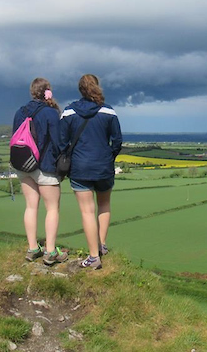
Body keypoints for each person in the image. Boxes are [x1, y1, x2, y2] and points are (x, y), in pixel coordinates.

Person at [60, 74, 122, 269]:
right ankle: (102, 246)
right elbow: (117, 141)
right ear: (97, 87)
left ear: (80, 90)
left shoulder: (69, 112)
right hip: (103, 166)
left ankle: (94, 256)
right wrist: (109, 157)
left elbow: (61, 142)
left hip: (80, 168)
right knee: (104, 205)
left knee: (87, 211)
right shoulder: (108, 111)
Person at [12, 78, 68, 265]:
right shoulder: (51, 113)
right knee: (52, 208)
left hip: (23, 165)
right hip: (45, 167)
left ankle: (32, 248)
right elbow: (59, 142)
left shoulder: (20, 112)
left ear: (31, 92)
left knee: (31, 206)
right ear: (48, 92)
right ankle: (50, 252)